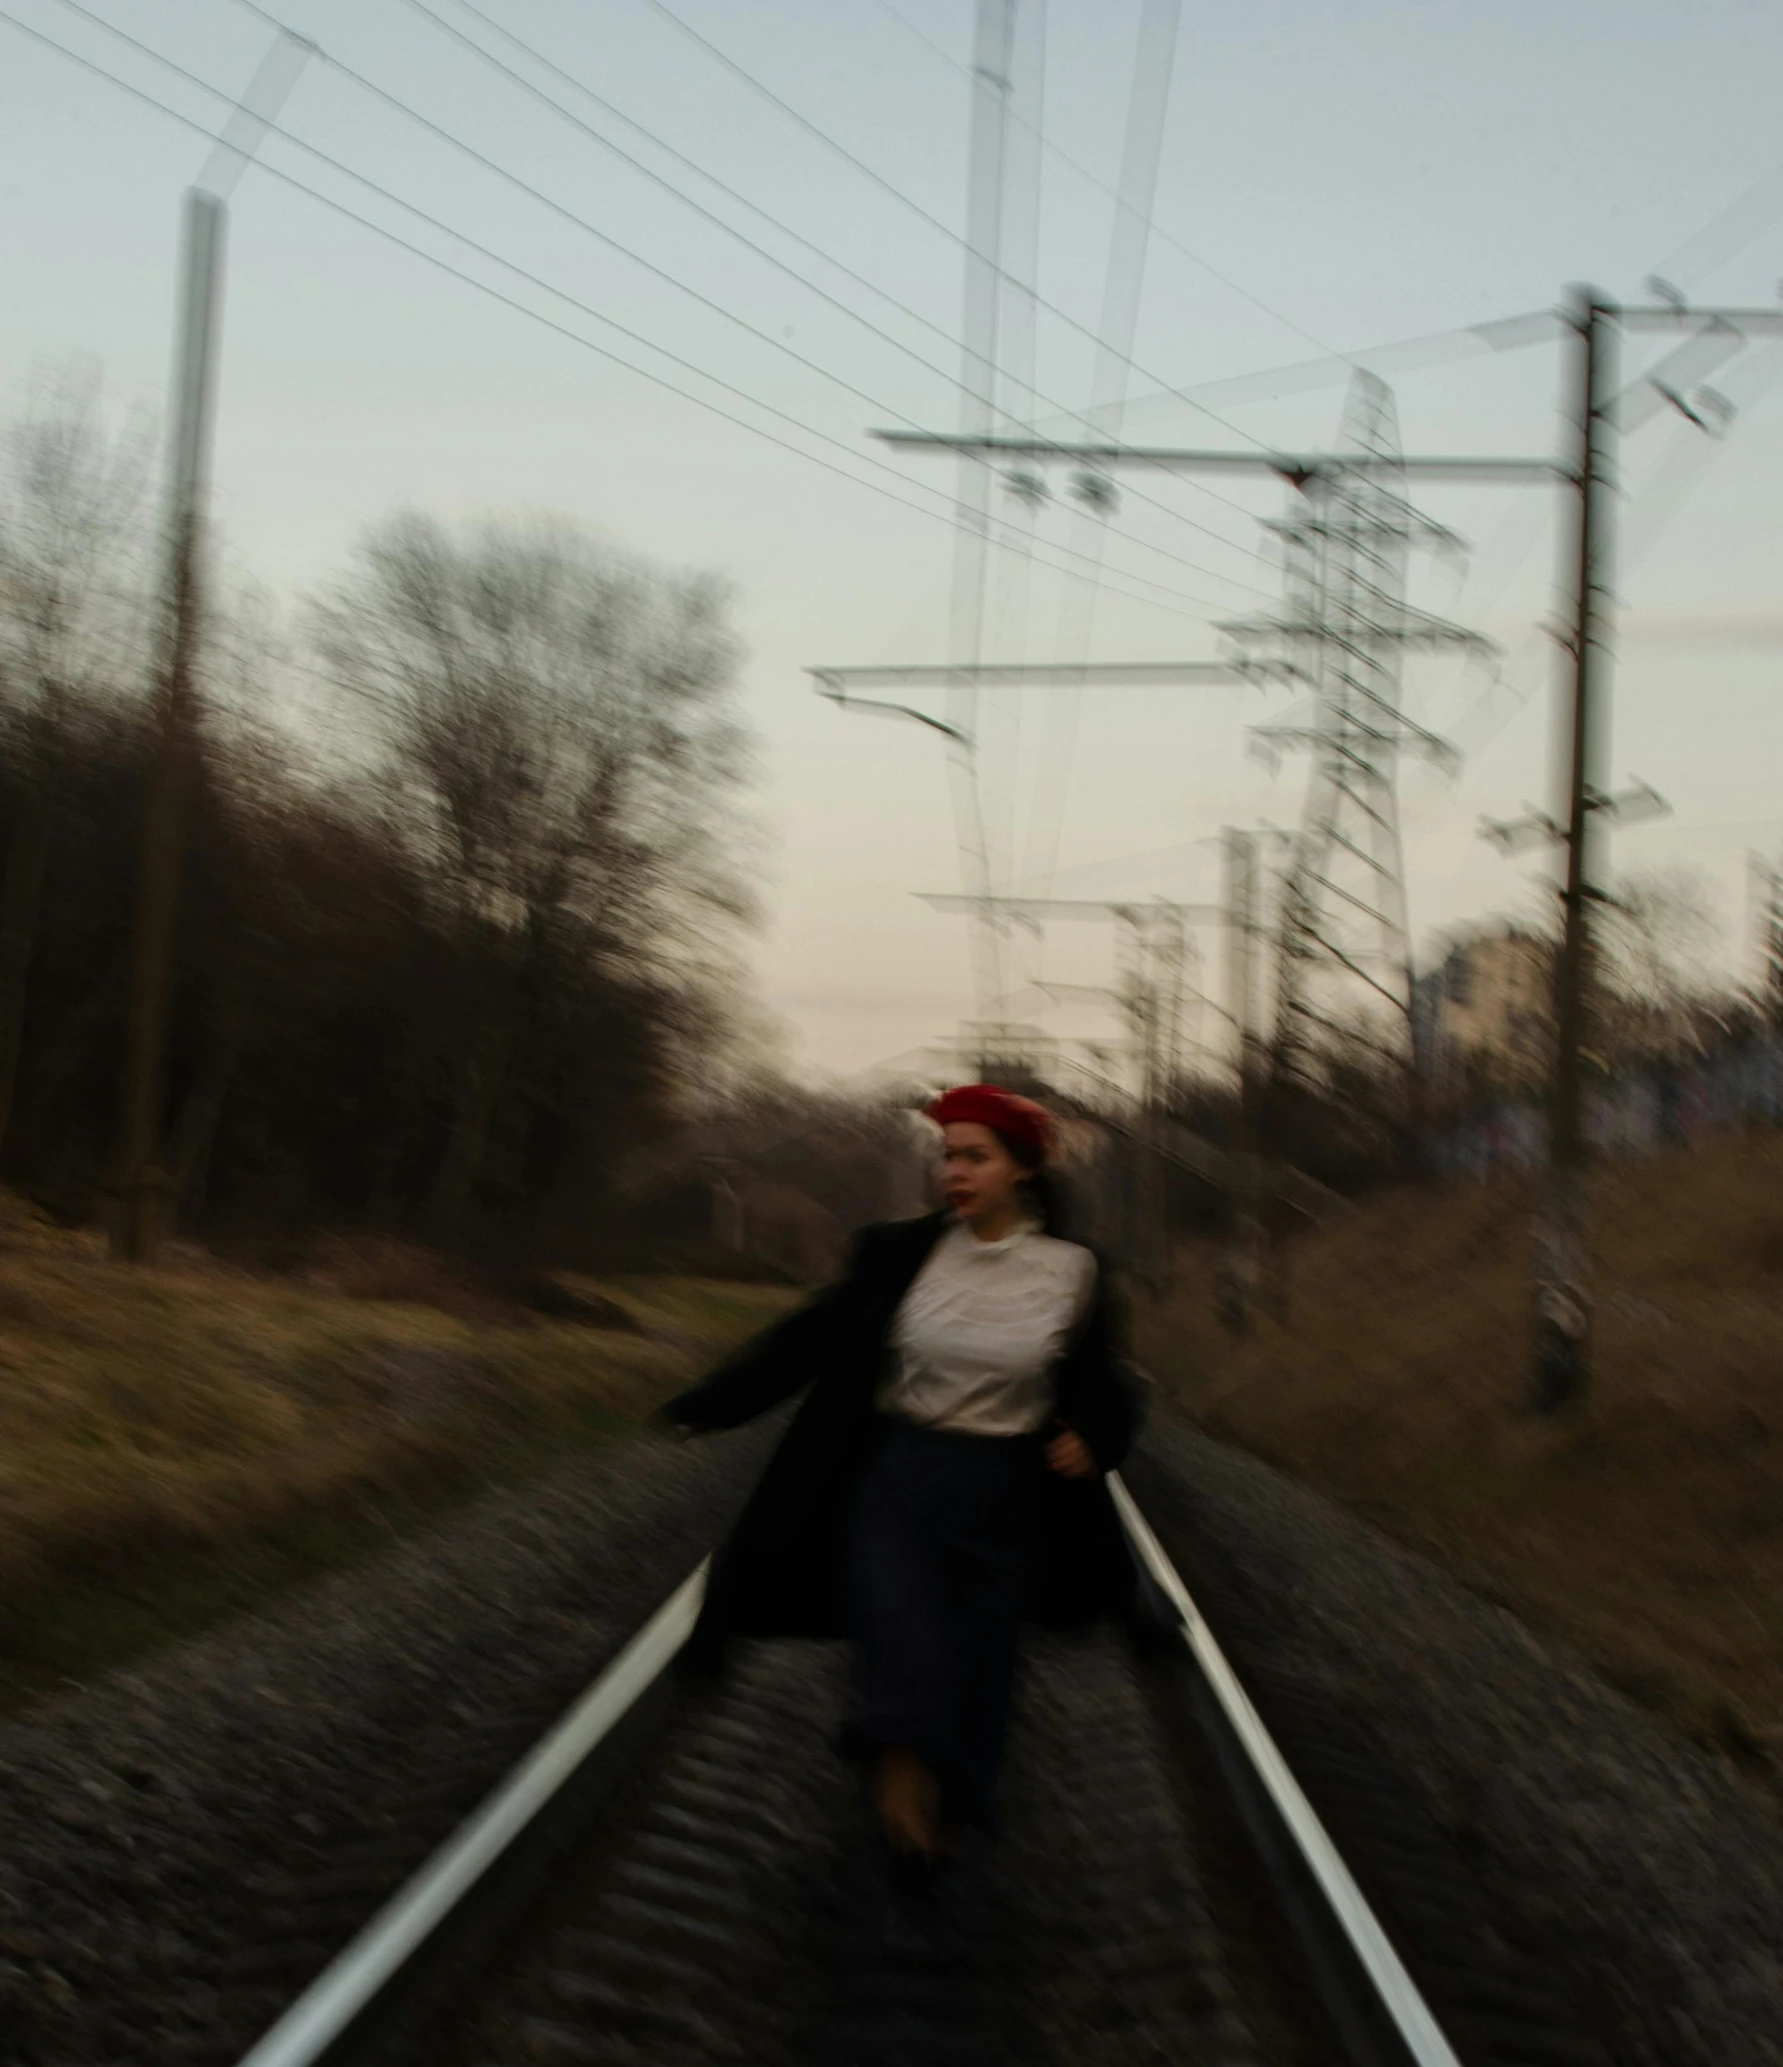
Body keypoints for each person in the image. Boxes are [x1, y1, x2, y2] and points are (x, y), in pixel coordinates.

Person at [658, 1083, 1144, 1864]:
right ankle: (899, 1806)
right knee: (904, 1644)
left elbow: (1103, 1384)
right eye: (946, 1156)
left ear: (1020, 1167)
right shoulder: (900, 1252)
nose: (953, 1171)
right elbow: (813, 1333)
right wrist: (714, 1401)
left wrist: (1095, 1436)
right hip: (901, 1478)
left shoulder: (1073, 1271)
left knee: (984, 1669)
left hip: (1005, 1493)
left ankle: (947, 1814)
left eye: (974, 1157)